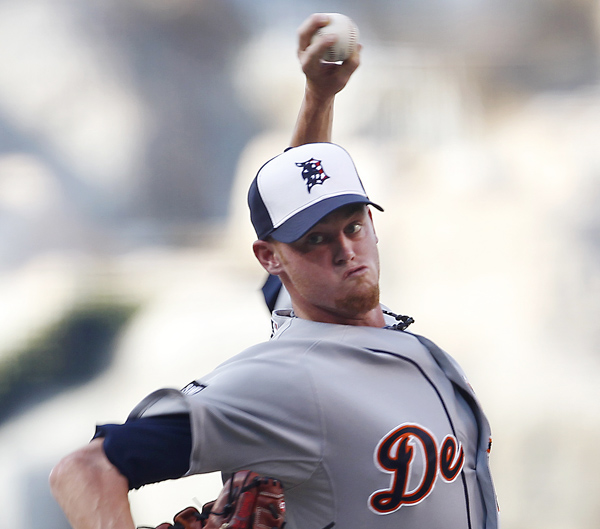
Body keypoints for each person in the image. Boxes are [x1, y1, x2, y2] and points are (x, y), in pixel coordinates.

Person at [49, 14, 499, 529]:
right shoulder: (282, 382)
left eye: (353, 227)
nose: (344, 251)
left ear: (372, 222)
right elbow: (83, 470)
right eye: (316, 241)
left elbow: (301, 193)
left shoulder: (316, 316)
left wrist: (319, 96)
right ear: (270, 259)